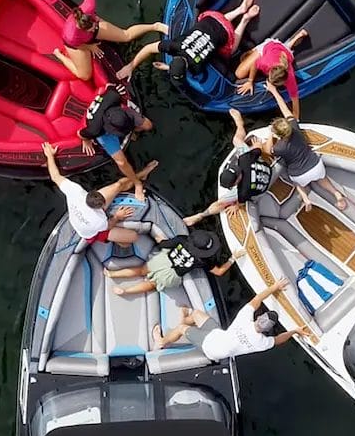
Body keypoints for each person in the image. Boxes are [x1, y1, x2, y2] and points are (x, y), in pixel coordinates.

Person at [120, 0, 260, 87]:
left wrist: (168, 68)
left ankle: (244, 19)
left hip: (226, 32)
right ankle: (239, 10)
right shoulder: (174, 46)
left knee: (231, 49)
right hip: (212, 17)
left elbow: (149, 48)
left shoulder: (196, 68)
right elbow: (149, 48)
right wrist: (131, 65)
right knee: (214, 25)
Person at [153, 280, 315, 360]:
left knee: (181, 329)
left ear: (258, 317)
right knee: (196, 314)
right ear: (267, 331)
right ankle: (186, 319)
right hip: (218, 336)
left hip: (210, 345)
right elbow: (279, 340)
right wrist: (294, 331)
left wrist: (275, 287)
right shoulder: (261, 343)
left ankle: (162, 341)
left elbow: (257, 299)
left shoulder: (243, 320)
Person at [42, 142, 157, 245]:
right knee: (133, 237)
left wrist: (50, 156)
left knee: (118, 186)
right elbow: (108, 225)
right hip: (91, 234)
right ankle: (115, 240)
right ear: (102, 208)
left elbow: (55, 177)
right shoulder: (100, 221)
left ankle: (142, 174)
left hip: (83, 220)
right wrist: (117, 216)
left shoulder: (75, 191)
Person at [248, 98, 348, 211]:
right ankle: (336, 194)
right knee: (321, 178)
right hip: (316, 165)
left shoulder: (279, 148)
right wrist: (275, 92)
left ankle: (305, 198)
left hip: (300, 175)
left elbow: (266, 150)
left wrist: (270, 133)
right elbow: (286, 111)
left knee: (297, 184)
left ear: (279, 134)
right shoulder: (294, 127)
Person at [183, 109, 276, 225]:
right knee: (237, 140)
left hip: (261, 186)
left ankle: (200, 215)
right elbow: (258, 148)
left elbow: (238, 202)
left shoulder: (242, 192)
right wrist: (256, 146)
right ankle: (240, 124)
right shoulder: (244, 160)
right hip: (266, 170)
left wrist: (236, 205)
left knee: (221, 202)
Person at [54, 0, 166, 81]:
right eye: (90, 29)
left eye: (93, 25)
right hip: (78, 44)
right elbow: (77, 46)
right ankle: (59, 55)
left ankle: (155, 26)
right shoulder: (71, 35)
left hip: (88, 27)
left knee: (126, 35)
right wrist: (90, 47)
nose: (94, 29)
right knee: (84, 75)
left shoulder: (89, 7)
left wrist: (95, 21)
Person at [105, 228, 236, 297]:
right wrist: (233, 258)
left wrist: (159, 238)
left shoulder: (182, 240)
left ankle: (112, 274)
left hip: (163, 260)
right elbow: (219, 272)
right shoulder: (203, 260)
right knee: (152, 284)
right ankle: (126, 291)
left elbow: (163, 244)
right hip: (173, 274)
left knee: (141, 270)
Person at [76, 84, 155, 182]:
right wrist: (86, 140)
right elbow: (80, 133)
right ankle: (136, 181)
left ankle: (131, 130)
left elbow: (109, 85)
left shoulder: (114, 96)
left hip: (116, 112)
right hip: (103, 132)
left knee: (148, 125)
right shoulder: (95, 129)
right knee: (121, 162)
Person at [233, 26, 307, 116]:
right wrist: (250, 81)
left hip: (285, 53)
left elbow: (295, 103)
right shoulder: (266, 62)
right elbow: (255, 64)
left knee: (286, 51)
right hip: (270, 45)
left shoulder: (290, 79)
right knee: (239, 73)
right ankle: (254, 51)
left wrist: (295, 119)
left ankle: (293, 40)